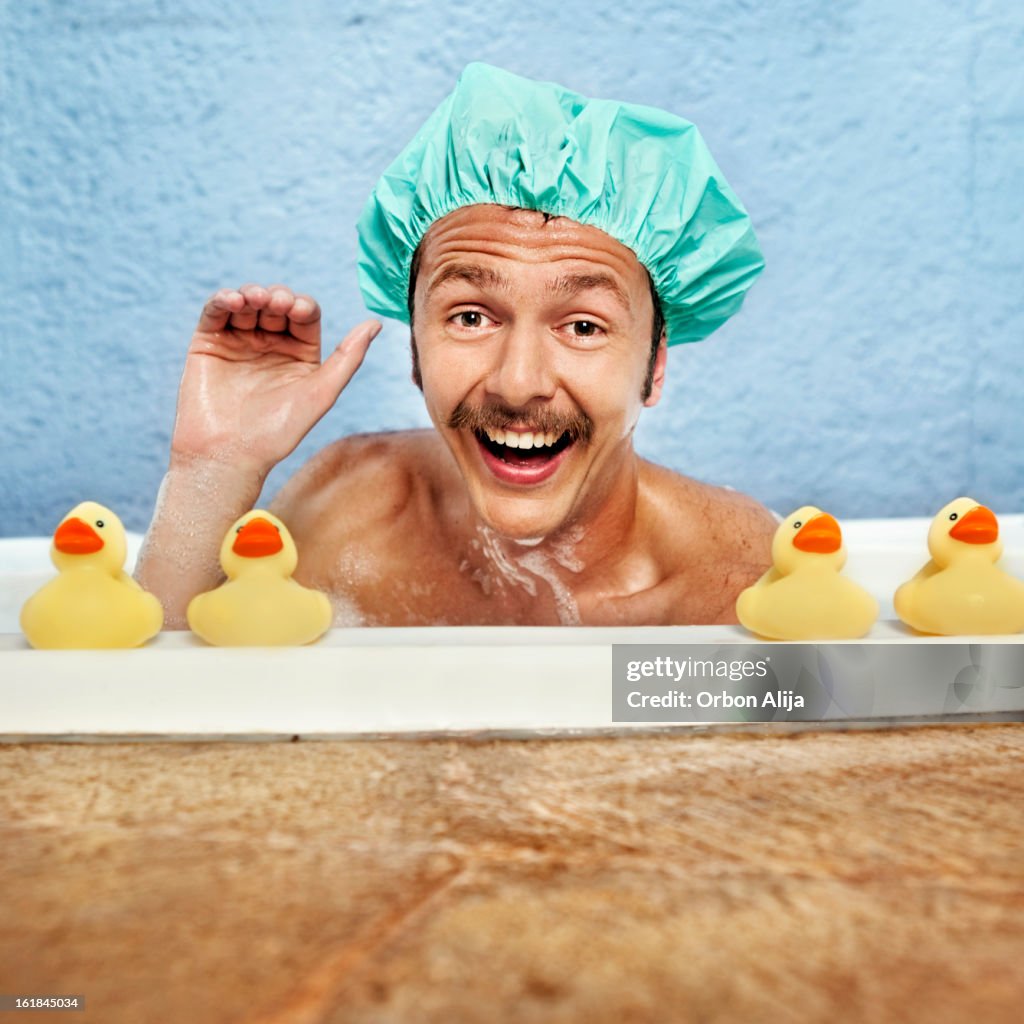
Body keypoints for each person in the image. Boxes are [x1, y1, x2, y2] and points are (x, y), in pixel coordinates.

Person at [136, 63, 777, 627]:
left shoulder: (728, 585)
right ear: (415, 351)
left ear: (654, 366)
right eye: (471, 317)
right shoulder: (348, 517)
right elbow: (166, 708)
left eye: (583, 325)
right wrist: (212, 472)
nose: (517, 382)